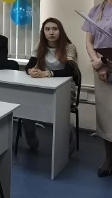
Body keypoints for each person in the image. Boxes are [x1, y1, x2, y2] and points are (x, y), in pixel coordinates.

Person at [23, 18, 78, 151]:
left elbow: (69, 71)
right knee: (25, 104)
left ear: (60, 31)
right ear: (43, 32)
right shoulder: (40, 45)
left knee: (58, 110)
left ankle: (68, 139)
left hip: (65, 89)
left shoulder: (69, 47)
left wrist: (47, 73)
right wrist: (31, 71)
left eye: (55, 29)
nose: (51, 32)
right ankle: (30, 135)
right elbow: (29, 65)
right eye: (47, 29)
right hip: (44, 87)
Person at [84, 0, 112, 179]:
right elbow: (89, 42)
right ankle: (109, 158)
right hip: (102, 69)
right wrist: (98, 63)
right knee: (106, 116)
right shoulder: (96, 11)